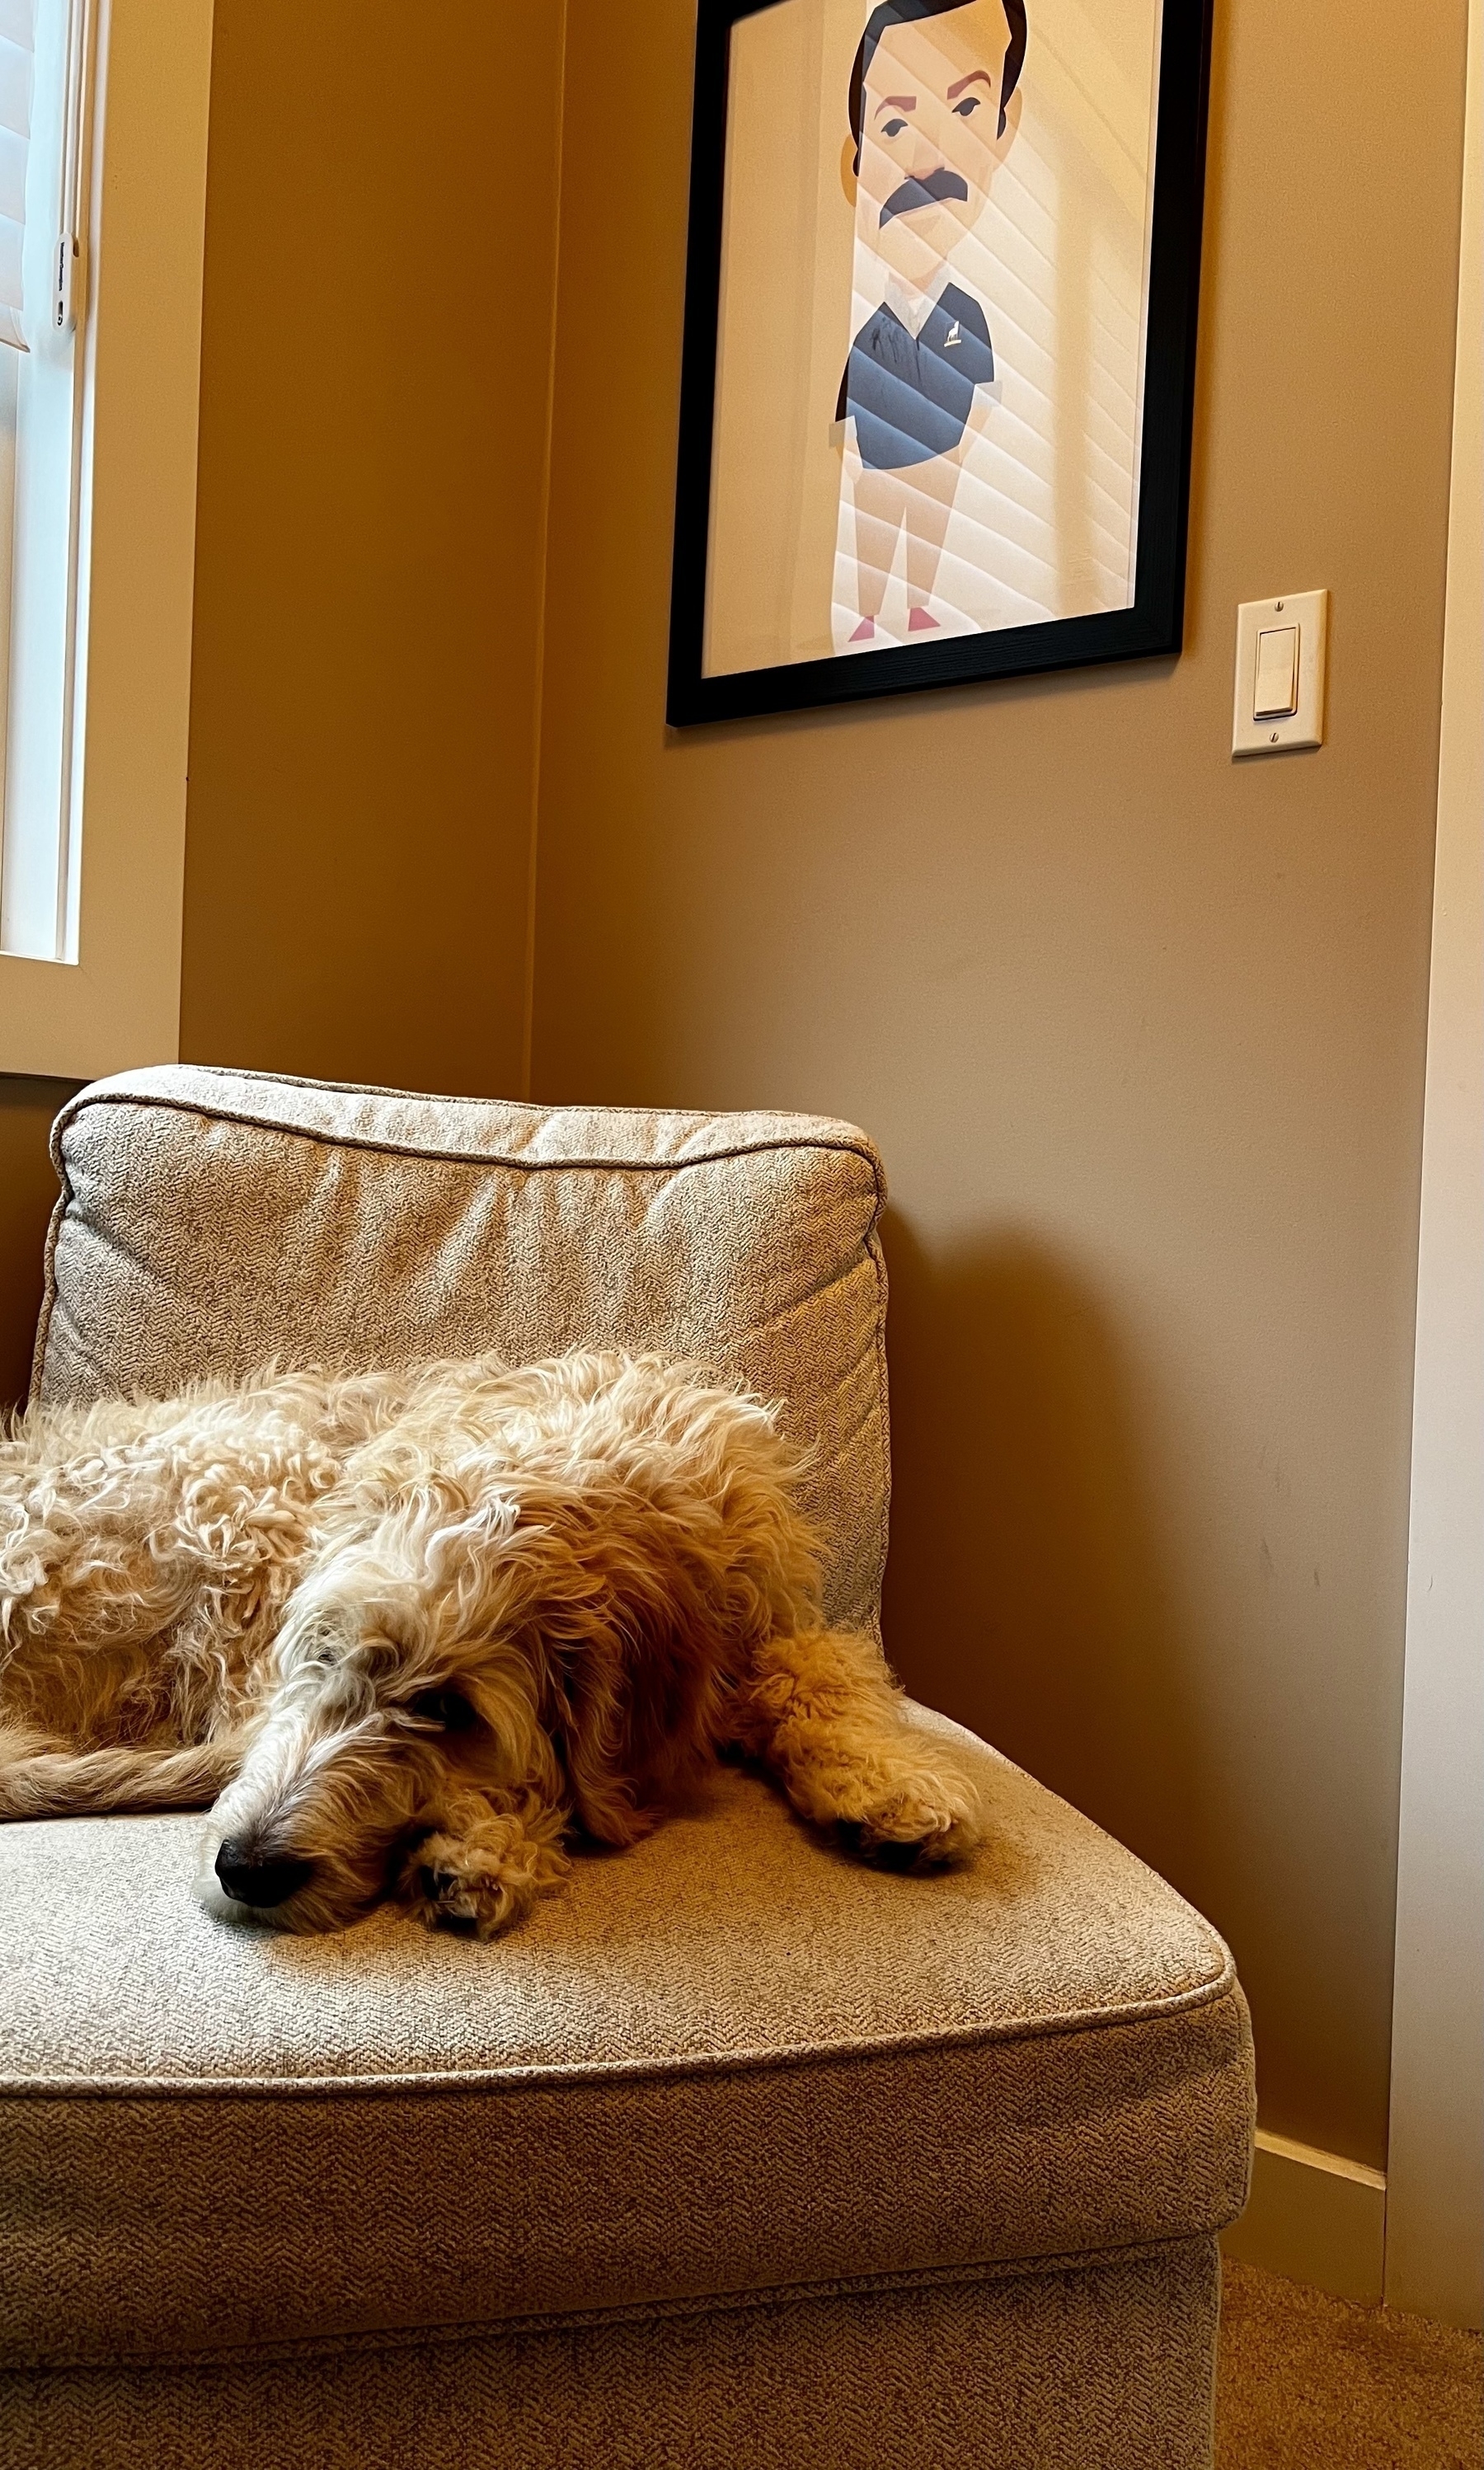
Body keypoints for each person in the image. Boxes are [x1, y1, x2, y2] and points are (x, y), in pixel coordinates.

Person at [835, 0, 1026, 642]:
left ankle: (917, 609)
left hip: (939, 462)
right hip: (878, 468)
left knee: (929, 532)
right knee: (872, 533)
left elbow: (987, 391)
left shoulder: (964, 314)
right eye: (891, 128)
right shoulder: (869, 330)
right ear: (853, 167)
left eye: (966, 109)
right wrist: (854, 456)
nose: (924, 161)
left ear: (1005, 129)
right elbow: (845, 413)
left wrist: (960, 450)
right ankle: (865, 616)